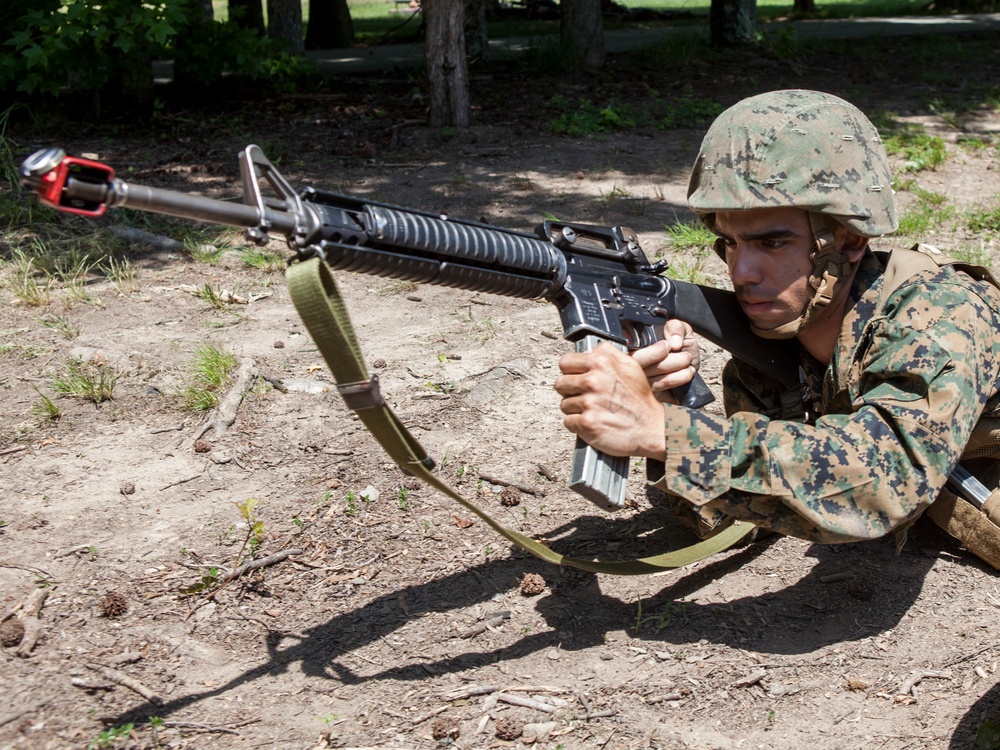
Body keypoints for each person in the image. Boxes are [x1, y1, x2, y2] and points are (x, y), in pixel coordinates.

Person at [554, 89, 1000, 558]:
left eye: (771, 243)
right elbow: (731, 518)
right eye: (729, 241)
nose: (740, 272)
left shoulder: (938, 317)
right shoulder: (779, 342)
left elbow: (885, 486)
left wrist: (663, 432)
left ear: (847, 241)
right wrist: (667, 407)